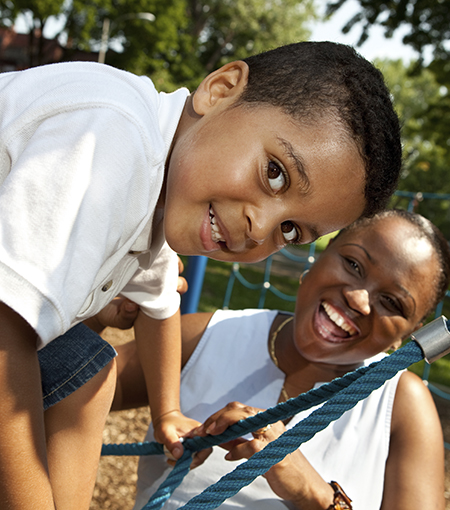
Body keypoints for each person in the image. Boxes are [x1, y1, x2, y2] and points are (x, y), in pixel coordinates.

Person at [0, 41, 401, 509]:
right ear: (221, 90)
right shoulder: (116, 133)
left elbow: (160, 302)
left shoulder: (158, 190)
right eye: (275, 174)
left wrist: (167, 410)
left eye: (290, 230)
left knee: (90, 368)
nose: (261, 227)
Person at [110, 209, 447, 510]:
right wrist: (96, 314)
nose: (359, 299)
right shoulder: (210, 335)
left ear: (407, 333)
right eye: (354, 265)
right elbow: (68, 388)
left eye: (391, 302)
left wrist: (314, 496)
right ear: (320, 258)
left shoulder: (401, 406)